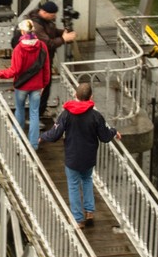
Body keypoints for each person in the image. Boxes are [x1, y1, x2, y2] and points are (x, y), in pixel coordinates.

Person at [39, 82, 121, 227]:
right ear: (91, 97)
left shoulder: (66, 114)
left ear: (75, 95)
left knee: (73, 185)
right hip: (88, 157)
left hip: (72, 156)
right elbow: (104, 136)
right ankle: (89, 211)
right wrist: (114, 132)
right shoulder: (96, 116)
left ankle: (78, 219)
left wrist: (43, 136)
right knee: (87, 180)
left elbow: (55, 134)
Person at [0, 19, 50, 148]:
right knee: (34, 114)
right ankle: (33, 144)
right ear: (33, 31)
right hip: (37, 86)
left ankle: (17, 137)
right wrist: (44, 84)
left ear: (23, 31)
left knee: (19, 110)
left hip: (22, 86)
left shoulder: (19, 49)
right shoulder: (42, 46)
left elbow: (14, 70)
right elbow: (46, 68)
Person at [32, 0, 76, 120]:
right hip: (38, 62)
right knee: (42, 88)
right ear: (44, 12)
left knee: (46, 87)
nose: (55, 17)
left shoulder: (45, 21)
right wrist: (64, 39)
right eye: (53, 15)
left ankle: (40, 112)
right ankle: (36, 116)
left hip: (44, 61)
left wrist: (63, 33)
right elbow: (48, 44)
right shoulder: (36, 26)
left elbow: (52, 32)